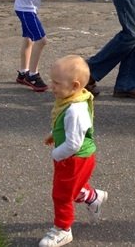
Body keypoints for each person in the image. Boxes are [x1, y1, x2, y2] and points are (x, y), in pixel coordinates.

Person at [39, 55, 107, 247]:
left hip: (73, 157)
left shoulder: (75, 110)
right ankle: (93, 197)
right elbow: (69, 128)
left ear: (75, 85)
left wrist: (56, 154)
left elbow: (74, 143)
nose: (52, 86)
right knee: (72, 188)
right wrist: (54, 133)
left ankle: (63, 229)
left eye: (57, 83)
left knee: (61, 194)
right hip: (79, 158)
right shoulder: (71, 100)